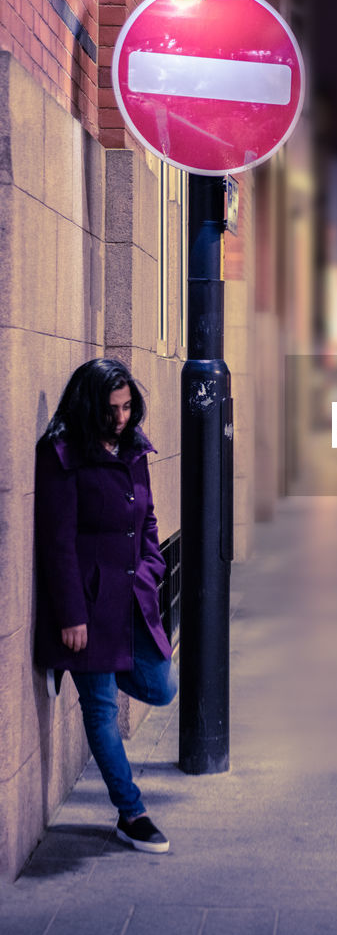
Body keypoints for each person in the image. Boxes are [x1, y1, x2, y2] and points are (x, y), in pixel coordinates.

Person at [34, 358, 177, 854]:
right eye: (112, 408)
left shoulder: (134, 450)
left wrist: (154, 568)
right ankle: (131, 813)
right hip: (89, 606)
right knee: (101, 709)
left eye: (127, 406)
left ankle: (78, 666)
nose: (121, 417)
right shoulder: (61, 456)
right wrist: (71, 615)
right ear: (90, 405)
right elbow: (57, 542)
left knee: (162, 686)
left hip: (131, 599)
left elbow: (149, 520)